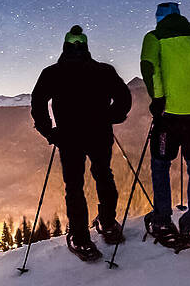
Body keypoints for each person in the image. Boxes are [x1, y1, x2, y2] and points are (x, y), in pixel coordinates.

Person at [31, 25, 132, 261]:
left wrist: (49, 132)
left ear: (64, 47)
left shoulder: (52, 73)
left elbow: (38, 103)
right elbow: (124, 98)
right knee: (104, 175)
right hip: (100, 134)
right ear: (86, 47)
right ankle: (107, 224)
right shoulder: (103, 71)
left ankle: (80, 237)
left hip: (69, 138)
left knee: (74, 186)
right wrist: (111, 116)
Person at [140, 2, 190, 252]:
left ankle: (162, 217)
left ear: (159, 18)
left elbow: (150, 68)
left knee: (160, 163)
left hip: (170, 114)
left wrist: (158, 100)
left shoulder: (154, 37)